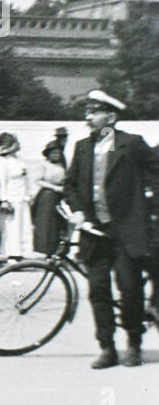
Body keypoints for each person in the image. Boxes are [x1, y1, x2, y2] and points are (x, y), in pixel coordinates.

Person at [62, 90, 159, 369]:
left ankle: (134, 344)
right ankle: (107, 347)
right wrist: (78, 210)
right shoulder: (81, 147)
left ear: (111, 117)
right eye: (87, 112)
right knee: (98, 290)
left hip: (126, 232)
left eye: (95, 112)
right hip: (94, 232)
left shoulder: (132, 144)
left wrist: (150, 206)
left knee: (129, 289)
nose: (88, 117)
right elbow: (70, 185)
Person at [0, 132, 33, 261]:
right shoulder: (3, 162)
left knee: (22, 225)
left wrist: (28, 194)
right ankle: (11, 253)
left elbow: (26, 179)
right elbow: (2, 182)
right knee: (12, 227)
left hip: (22, 197)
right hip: (11, 198)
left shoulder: (20, 160)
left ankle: (20, 252)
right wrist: (4, 200)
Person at [32, 141, 67, 255]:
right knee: (47, 224)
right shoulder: (44, 165)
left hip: (58, 196)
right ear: (49, 154)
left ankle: (56, 250)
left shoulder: (62, 166)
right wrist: (54, 187)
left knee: (58, 224)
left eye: (58, 153)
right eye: (54, 153)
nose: (56, 155)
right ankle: (45, 250)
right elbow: (38, 180)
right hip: (46, 196)